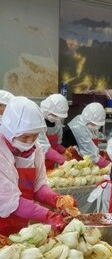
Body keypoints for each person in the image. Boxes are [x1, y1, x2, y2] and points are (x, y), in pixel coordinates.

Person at [0, 97, 77, 235]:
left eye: (34, 136)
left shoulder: (35, 149)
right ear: (9, 130)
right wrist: (48, 215)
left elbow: (38, 186)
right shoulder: (1, 152)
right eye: (24, 137)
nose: (30, 142)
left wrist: (56, 200)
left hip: (20, 225)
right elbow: (10, 201)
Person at [62, 102, 110, 168]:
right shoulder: (78, 128)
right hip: (70, 161)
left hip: (82, 161)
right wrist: (108, 164)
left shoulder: (86, 123)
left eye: (98, 125)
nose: (96, 127)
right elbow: (90, 154)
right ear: (87, 120)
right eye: (94, 124)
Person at [37, 93, 69, 169]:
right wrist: (59, 158)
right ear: (46, 110)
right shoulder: (38, 121)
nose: (57, 118)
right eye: (54, 115)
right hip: (39, 163)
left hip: (51, 162)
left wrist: (61, 149)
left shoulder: (57, 123)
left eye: (59, 116)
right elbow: (41, 147)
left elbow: (57, 142)